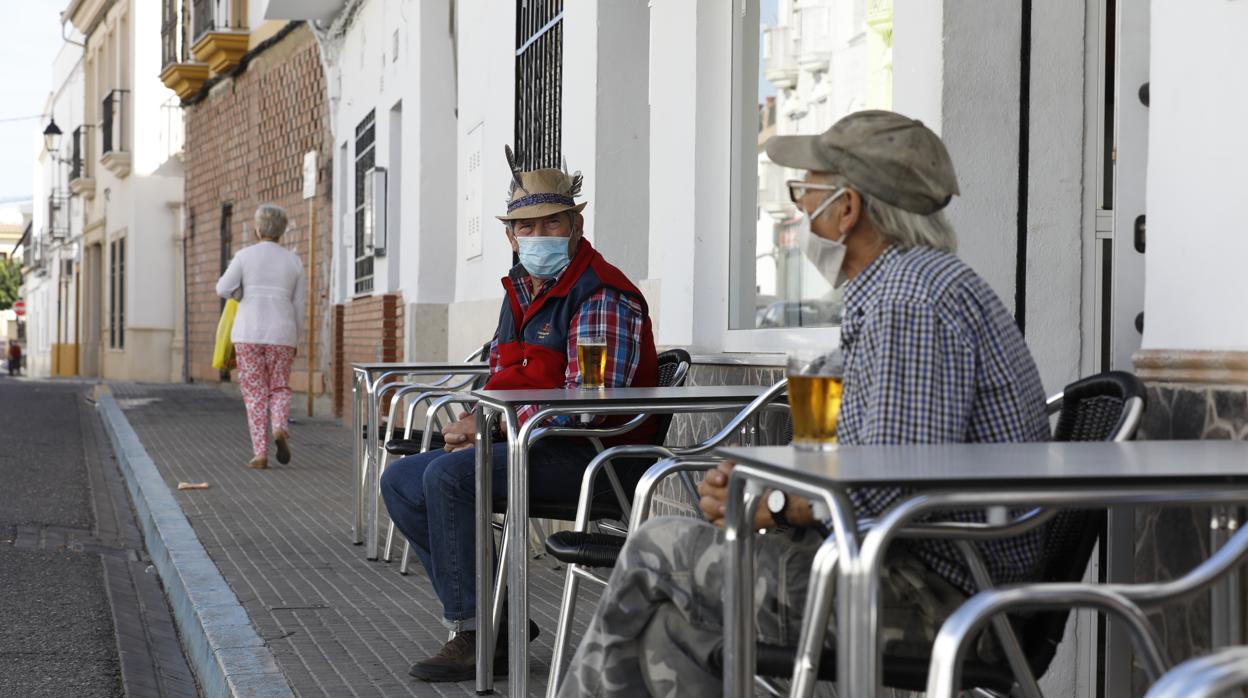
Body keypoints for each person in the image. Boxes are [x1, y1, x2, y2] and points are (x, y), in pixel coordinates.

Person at [557, 110, 1052, 697]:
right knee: (671, 630)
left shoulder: (910, 302)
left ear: (847, 208)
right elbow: (873, 454)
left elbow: (893, 480)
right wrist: (761, 483)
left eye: (805, 192)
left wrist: (775, 502)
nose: (799, 209)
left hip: (938, 599)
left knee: (656, 547)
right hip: (900, 573)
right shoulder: (900, 291)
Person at [380, 151, 659, 683]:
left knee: (449, 477)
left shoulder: (600, 291)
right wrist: (475, 422)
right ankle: (496, 621)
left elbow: (591, 406)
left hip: (596, 459)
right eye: (525, 225)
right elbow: (497, 372)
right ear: (510, 236)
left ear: (576, 226)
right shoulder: (520, 288)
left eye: (552, 221)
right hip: (531, 443)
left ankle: (477, 634)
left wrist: (492, 427)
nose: (538, 234)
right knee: (401, 480)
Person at [215, 203, 305, 470]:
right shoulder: (293, 261)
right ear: (282, 230)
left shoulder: (244, 256)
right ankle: (279, 426)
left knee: (255, 392)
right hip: (282, 333)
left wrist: (240, 295)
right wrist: (295, 338)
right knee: (279, 387)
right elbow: (299, 306)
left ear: (257, 228)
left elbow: (223, 287)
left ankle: (260, 453)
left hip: (249, 332)